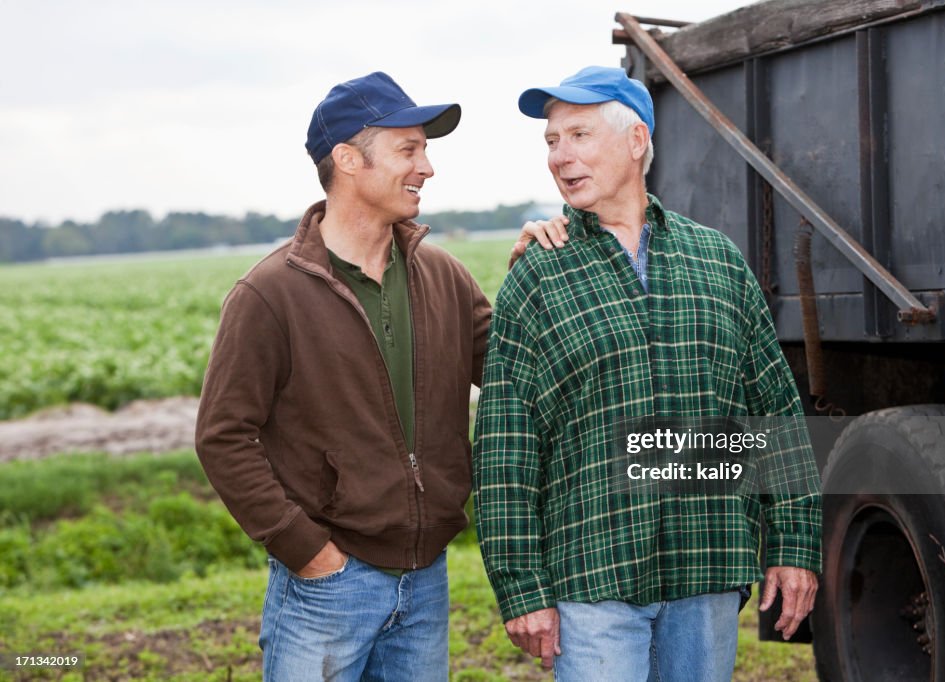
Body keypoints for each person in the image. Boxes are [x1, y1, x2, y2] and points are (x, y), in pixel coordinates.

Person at [195, 72, 561, 682]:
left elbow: (522, 373)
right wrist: (307, 552)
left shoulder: (444, 276)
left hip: (425, 580)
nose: (427, 167)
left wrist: (539, 278)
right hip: (326, 587)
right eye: (408, 150)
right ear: (347, 160)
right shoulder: (269, 294)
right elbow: (223, 436)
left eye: (426, 149)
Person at [473, 65, 822, 681]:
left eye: (578, 135)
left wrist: (794, 544)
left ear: (636, 141)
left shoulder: (715, 261)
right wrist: (521, 585)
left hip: (706, 567)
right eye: (551, 141)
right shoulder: (539, 276)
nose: (560, 156)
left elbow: (775, 412)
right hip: (594, 576)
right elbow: (506, 445)